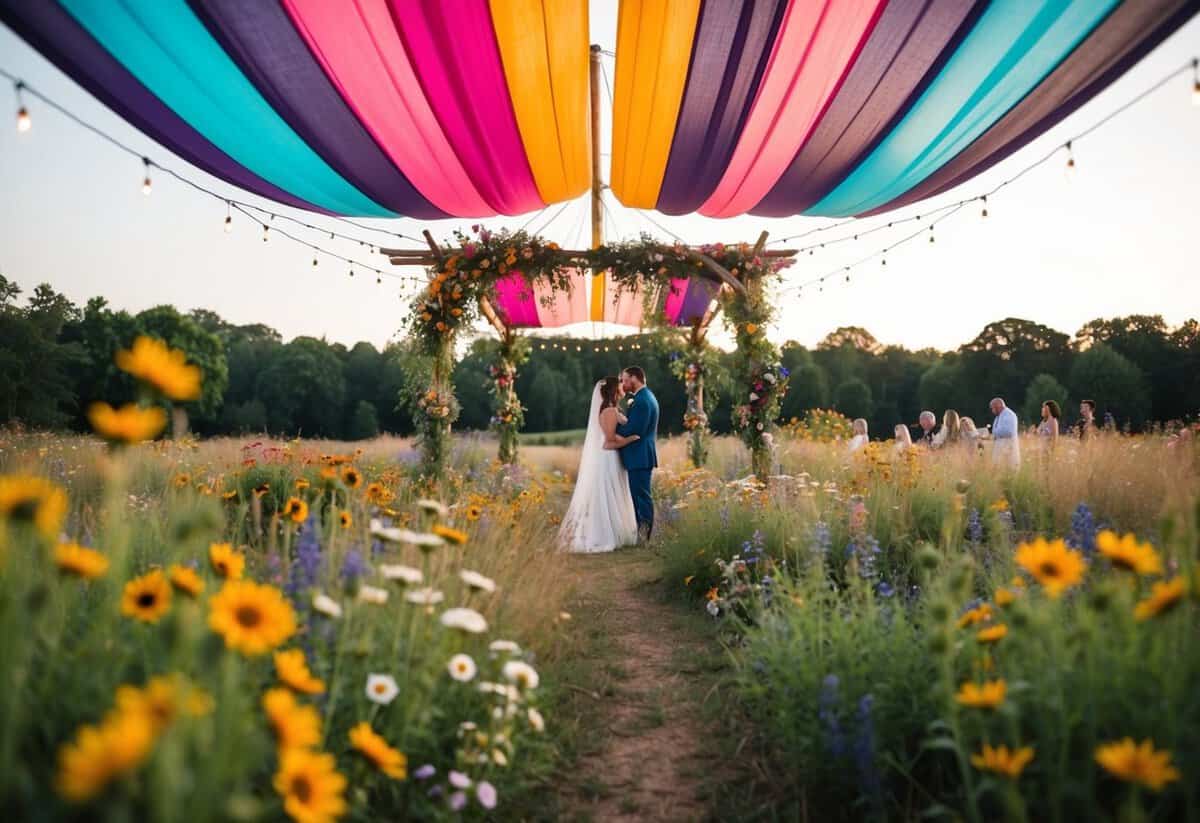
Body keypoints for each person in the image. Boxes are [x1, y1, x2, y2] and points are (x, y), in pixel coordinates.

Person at [560, 378, 640, 553]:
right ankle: (607, 535)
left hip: (609, 457)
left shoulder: (609, 409)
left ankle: (617, 531)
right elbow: (609, 442)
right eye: (619, 385)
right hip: (609, 458)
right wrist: (629, 440)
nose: (622, 387)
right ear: (613, 390)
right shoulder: (610, 411)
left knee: (611, 493)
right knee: (610, 494)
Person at [615, 367, 660, 541]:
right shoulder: (645, 397)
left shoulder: (642, 400)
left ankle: (644, 536)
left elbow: (635, 430)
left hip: (640, 456)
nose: (624, 384)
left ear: (635, 378)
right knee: (639, 496)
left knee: (641, 497)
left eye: (626, 380)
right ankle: (641, 534)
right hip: (640, 456)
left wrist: (616, 423)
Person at [989, 397, 1020, 469]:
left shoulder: (1009, 415)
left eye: (993, 408)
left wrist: (994, 432)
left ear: (998, 406)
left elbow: (1009, 431)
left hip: (1008, 449)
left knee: (1008, 470)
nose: (992, 411)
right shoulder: (999, 417)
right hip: (1001, 449)